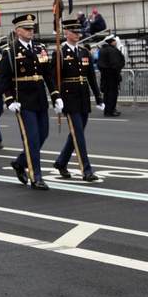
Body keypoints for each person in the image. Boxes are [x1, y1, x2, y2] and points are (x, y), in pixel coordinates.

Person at [0, 14, 62, 191]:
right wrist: (9, 100)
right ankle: (36, 177)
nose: (30, 31)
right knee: (32, 139)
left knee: (43, 135)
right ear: (18, 31)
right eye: (27, 29)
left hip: (40, 99)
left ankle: (20, 162)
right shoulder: (10, 52)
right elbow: (4, 79)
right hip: (24, 101)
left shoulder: (40, 49)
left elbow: (48, 74)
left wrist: (56, 96)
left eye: (32, 28)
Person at [53, 18, 103, 182]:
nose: (77, 34)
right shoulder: (59, 53)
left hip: (83, 97)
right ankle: (86, 170)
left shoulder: (84, 52)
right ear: (66, 33)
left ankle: (61, 162)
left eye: (78, 32)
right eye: (74, 32)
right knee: (79, 135)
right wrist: (56, 97)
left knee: (75, 134)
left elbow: (91, 78)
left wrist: (98, 97)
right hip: (69, 98)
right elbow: (54, 78)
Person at [96, 36, 124, 116]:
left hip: (104, 74)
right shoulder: (112, 50)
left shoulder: (102, 50)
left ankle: (107, 109)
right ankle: (111, 109)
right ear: (112, 42)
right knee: (112, 93)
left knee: (106, 93)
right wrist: (117, 72)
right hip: (112, 74)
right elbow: (115, 63)